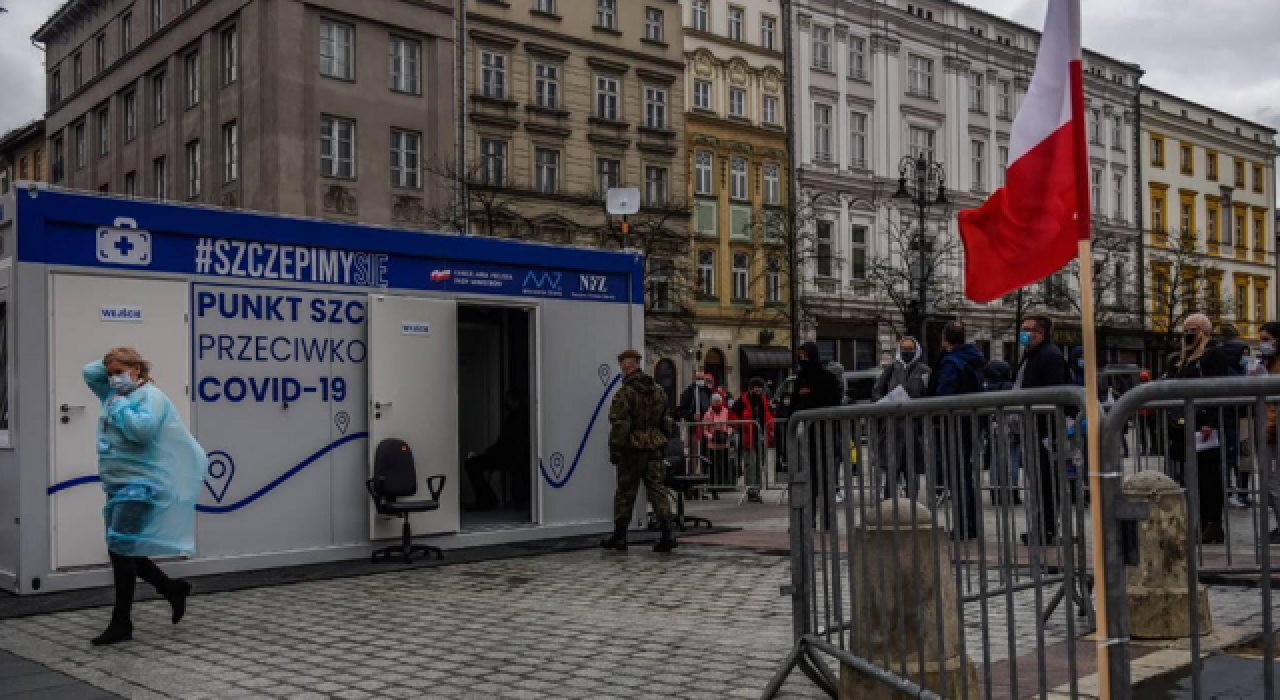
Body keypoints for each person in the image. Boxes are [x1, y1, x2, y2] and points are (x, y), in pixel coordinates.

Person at [85, 347, 205, 646]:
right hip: (118, 484)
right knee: (122, 548)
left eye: (120, 372)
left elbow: (142, 432)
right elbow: (89, 373)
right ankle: (171, 589)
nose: (113, 378)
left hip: (141, 484)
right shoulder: (113, 393)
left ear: (136, 370)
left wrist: (120, 404)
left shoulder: (150, 396)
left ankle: (122, 621)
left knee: (121, 549)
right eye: (110, 374)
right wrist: (112, 363)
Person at [1164, 313, 1232, 544]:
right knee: (1189, 476)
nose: (1188, 333)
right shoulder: (1183, 357)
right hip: (1184, 424)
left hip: (1204, 424)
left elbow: (1218, 388)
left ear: (1204, 331)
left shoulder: (1214, 354)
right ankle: (1198, 522)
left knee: (1208, 475)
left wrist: (1210, 422)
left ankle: (1212, 523)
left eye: (1193, 329)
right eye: (1185, 329)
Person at [601, 349, 677, 553]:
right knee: (658, 491)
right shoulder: (658, 390)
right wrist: (662, 439)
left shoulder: (625, 393)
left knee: (625, 493)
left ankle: (620, 536)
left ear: (626, 366)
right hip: (654, 447)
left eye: (622, 364)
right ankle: (668, 534)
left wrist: (615, 448)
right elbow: (666, 420)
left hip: (632, 449)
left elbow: (620, 424)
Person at [1014, 314, 1070, 546]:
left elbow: (1056, 393)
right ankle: (1040, 527)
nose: (1024, 333)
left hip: (1044, 429)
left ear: (1041, 333)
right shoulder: (1032, 354)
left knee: (1045, 481)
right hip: (1034, 426)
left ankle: (1046, 529)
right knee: (1037, 480)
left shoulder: (1050, 356)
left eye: (1028, 329)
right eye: (1023, 329)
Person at [927, 322, 986, 539]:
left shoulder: (952, 362)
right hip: (968, 422)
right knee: (964, 474)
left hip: (954, 424)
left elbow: (944, 394)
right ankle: (970, 524)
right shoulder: (973, 358)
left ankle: (964, 525)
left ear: (945, 339)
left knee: (958, 475)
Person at [872, 336, 930, 499]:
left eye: (910, 349)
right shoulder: (892, 368)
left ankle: (912, 506)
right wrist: (885, 404)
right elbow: (876, 391)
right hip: (892, 427)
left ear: (916, 350)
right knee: (892, 471)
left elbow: (929, 395)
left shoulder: (924, 370)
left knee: (912, 471)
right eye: (904, 349)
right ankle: (890, 506)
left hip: (914, 428)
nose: (907, 352)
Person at [792, 342, 843, 525]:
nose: (802, 359)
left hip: (824, 435)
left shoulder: (827, 378)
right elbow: (794, 404)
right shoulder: (800, 378)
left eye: (805, 355)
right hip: (806, 437)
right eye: (800, 355)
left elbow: (834, 403)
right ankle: (810, 518)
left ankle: (827, 519)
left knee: (826, 479)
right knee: (808, 479)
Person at [464, 394, 530, 510]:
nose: (505, 402)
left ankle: (487, 500)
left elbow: (504, 444)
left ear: (515, 400)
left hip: (507, 457)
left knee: (471, 464)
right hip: (511, 456)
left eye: (508, 399)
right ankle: (488, 499)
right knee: (473, 463)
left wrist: (485, 454)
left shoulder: (515, 419)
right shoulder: (522, 417)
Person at [1252, 322, 1280, 543]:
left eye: (1266, 339)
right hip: (1268, 430)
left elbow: (1273, 405)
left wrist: (1268, 429)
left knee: (1274, 483)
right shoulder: (1266, 364)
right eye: (1261, 339)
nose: (1263, 344)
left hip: (1273, 430)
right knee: (1269, 482)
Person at [982, 360, 1022, 505]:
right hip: (1012, 429)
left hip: (993, 429)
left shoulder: (985, 388)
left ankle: (995, 492)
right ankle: (1012, 492)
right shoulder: (1010, 387)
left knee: (995, 460)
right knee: (1013, 459)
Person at [734, 378, 774, 503]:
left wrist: (770, 429)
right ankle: (751, 490)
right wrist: (742, 425)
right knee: (750, 464)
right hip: (748, 437)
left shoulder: (763, 400)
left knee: (758, 465)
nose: (758, 389)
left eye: (760, 387)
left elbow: (768, 415)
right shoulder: (743, 400)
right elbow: (733, 414)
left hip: (760, 438)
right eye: (756, 387)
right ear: (751, 388)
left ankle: (757, 489)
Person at [701, 393, 735, 488]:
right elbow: (705, 429)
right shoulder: (708, 414)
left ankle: (723, 483)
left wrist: (727, 434)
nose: (717, 403)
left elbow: (730, 425)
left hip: (724, 444)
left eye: (718, 401)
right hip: (712, 445)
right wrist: (711, 437)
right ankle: (713, 484)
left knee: (723, 465)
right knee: (712, 466)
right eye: (715, 401)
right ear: (712, 402)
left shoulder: (726, 412)